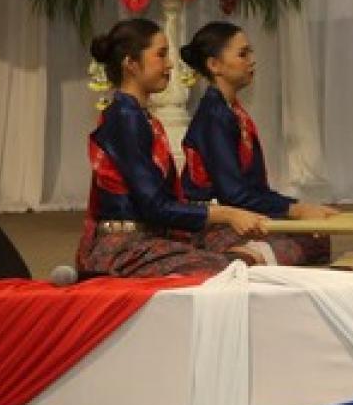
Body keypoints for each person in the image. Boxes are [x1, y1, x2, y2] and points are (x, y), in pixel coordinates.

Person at [76, 18, 269, 278]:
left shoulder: (137, 116)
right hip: (125, 248)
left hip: (148, 239)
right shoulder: (124, 118)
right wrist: (226, 214)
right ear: (131, 64)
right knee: (233, 269)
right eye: (161, 55)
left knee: (250, 258)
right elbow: (154, 205)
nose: (169, 64)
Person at [180, 21, 337, 266]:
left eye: (250, 52)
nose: (252, 61)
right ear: (214, 65)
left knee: (317, 238)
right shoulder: (213, 116)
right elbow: (233, 195)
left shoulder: (230, 111)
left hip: (242, 211)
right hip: (218, 222)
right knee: (293, 244)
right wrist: (295, 210)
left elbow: (254, 190)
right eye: (242, 54)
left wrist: (299, 207)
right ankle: (239, 259)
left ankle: (254, 254)